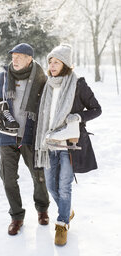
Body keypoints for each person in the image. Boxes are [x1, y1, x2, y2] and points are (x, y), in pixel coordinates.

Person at [34, 43, 102, 246]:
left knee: (64, 186)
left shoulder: (78, 83)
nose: (53, 65)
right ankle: (67, 209)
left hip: (69, 145)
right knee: (51, 185)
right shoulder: (48, 85)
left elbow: (96, 109)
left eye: (57, 62)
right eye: (51, 62)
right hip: (49, 143)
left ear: (66, 64)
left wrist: (78, 117)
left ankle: (62, 223)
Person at [0, 43, 50, 236]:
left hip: (31, 136)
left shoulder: (42, 79)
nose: (15, 58)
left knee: (38, 176)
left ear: (29, 58)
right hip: (7, 136)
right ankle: (16, 216)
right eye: (13, 55)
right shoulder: (2, 77)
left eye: (20, 56)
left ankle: (42, 209)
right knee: (8, 178)